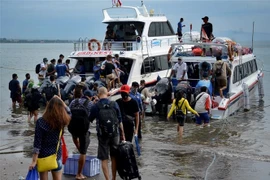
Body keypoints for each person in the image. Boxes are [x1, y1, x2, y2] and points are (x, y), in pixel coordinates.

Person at [28, 96, 71, 180]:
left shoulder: (40, 122)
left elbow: (37, 144)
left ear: (48, 107)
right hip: (56, 156)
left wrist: (34, 161)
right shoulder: (63, 120)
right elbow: (69, 111)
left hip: (43, 157)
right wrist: (61, 101)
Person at [89, 87, 125, 180]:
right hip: (115, 134)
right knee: (114, 157)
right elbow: (120, 120)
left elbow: (89, 119)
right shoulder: (114, 104)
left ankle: (107, 179)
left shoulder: (96, 106)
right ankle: (113, 178)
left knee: (104, 158)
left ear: (98, 94)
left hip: (102, 135)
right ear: (107, 93)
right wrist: (123, 135)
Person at [69, 88, 94, 179]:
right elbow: (91, 117)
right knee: (83, 152)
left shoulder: (73, 101)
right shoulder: (90, 103)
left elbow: (69, 113)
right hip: (83, 130)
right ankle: (79, 174)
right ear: (90, 97)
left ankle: (79, 149)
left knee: (75, 137)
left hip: (72, 128)